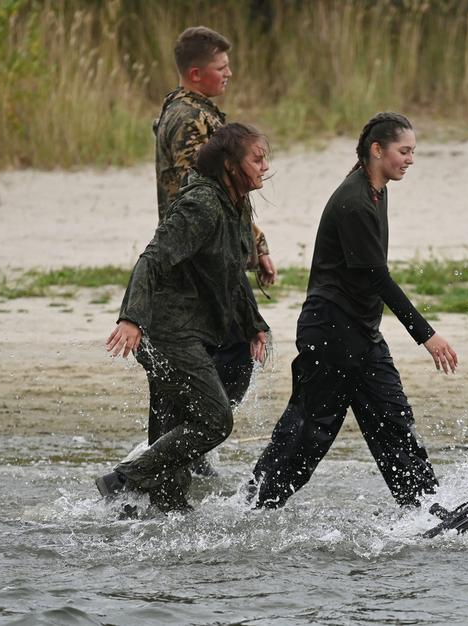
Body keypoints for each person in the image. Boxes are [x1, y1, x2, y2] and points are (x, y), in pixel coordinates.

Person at [250, 112, 458, 509]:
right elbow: (379, 279)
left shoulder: (377, 186)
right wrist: (427, 336)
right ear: (376, 151)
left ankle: (426, 507)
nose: (410, 159)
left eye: (413, 151)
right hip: (330, 333)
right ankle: (253, 506)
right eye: (404, 151)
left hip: (361, 334)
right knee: (312, 432)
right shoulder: (355, 202)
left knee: (394, 421)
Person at [96, 123, 271, 512]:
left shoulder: (236, 203)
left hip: (186, 331)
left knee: (169, 450)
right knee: (214, 420)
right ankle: (123, 480)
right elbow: (152, 258)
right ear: (229, 165)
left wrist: (254, 325)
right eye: (257, 159)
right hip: (166, 333)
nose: (265, 167)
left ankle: (159, 506)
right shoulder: (202, 205)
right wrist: (131, 319)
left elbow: (231, 273)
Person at [153, 26, 277, 474]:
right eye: (221, 67)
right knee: (233, 351)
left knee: (206, 361)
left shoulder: (189, 109)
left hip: (203, 251)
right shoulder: (190, 119)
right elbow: (212, 188)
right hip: (199, 254)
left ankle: (177, 454)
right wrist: (253, 244)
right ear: (195, 72)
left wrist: (254, 243)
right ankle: (187, 444)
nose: (229, 73)